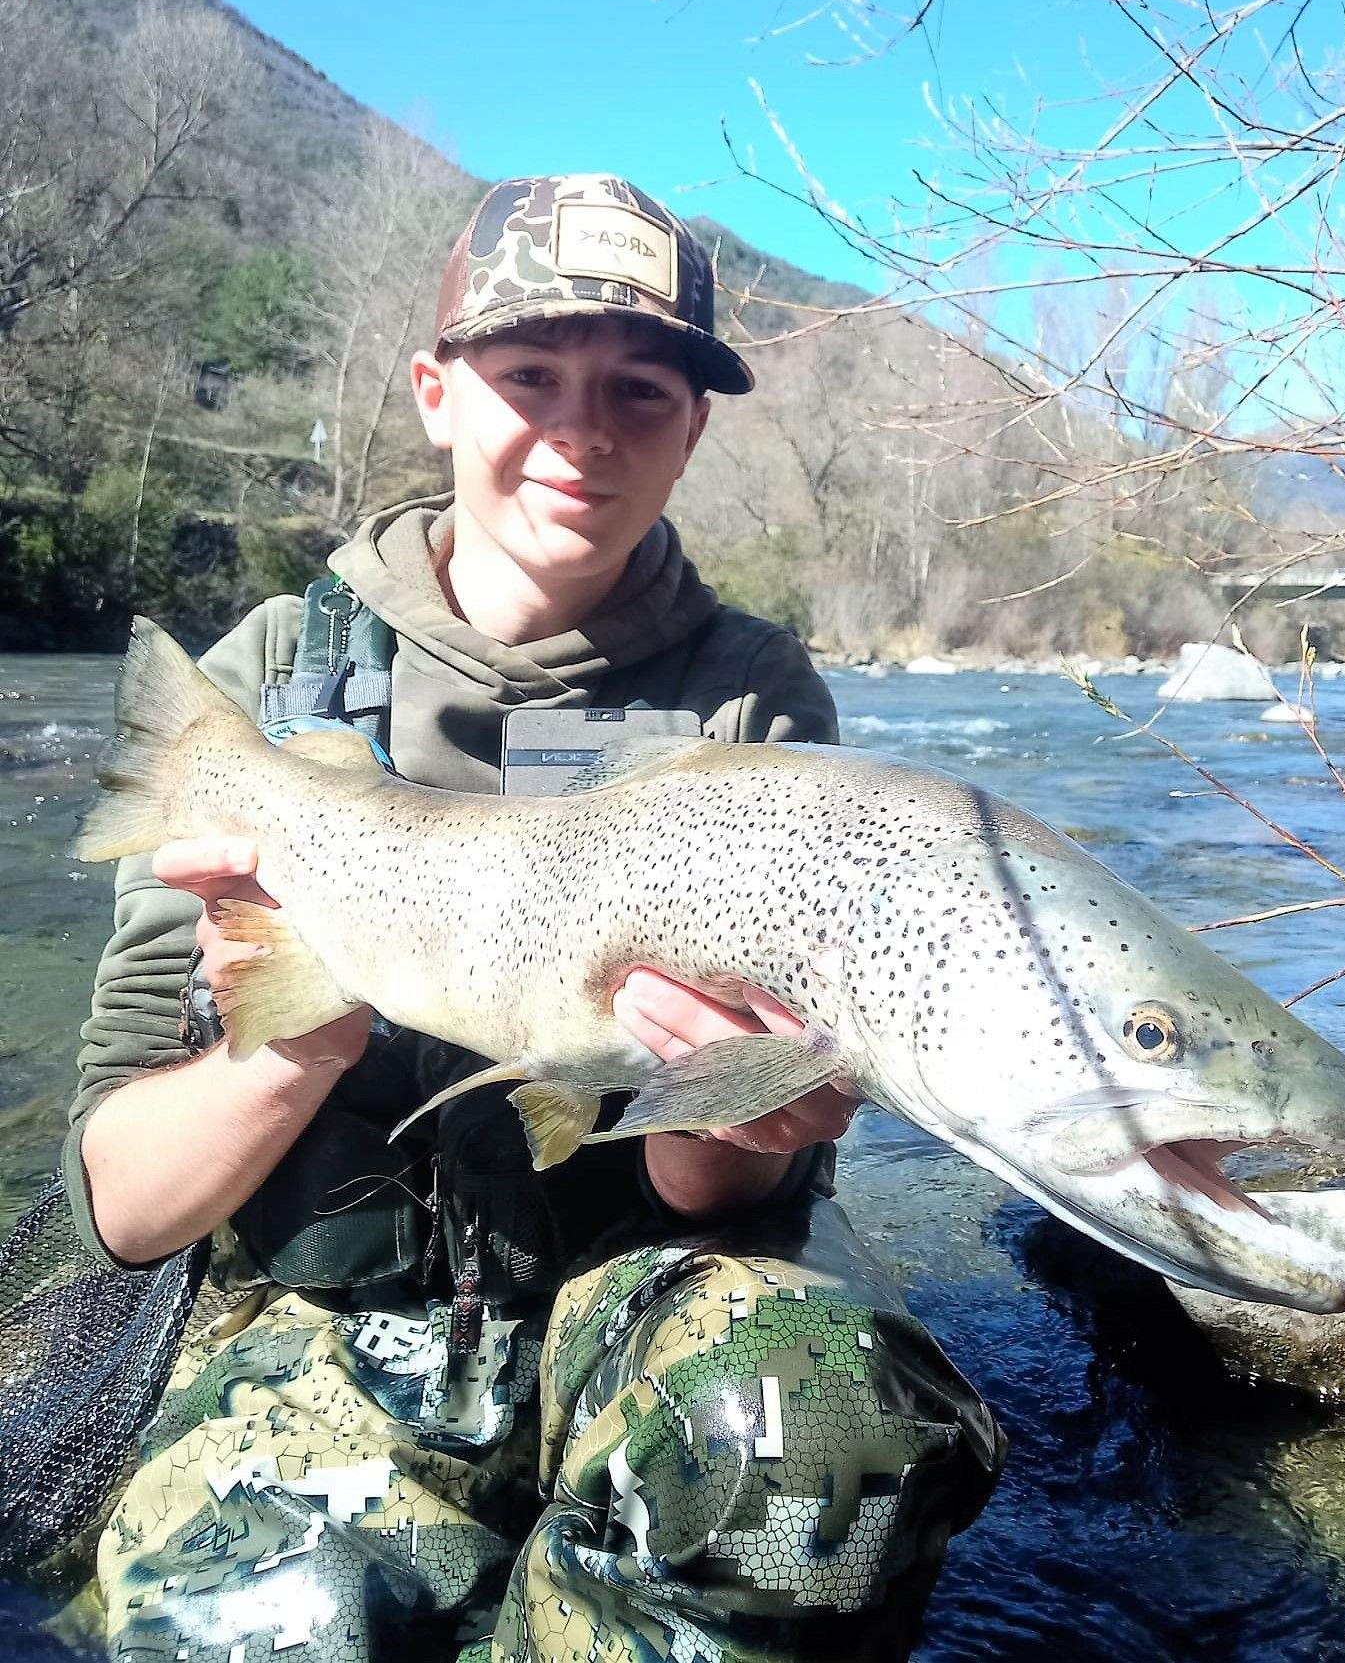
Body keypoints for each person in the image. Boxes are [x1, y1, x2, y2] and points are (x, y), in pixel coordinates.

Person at [65, 175, 1004, 1662]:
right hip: (325, 1333)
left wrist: (743, 1104)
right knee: (258, 1626)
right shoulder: (250, 695)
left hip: (628, 1304)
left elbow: (718, 1200)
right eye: (528, 378)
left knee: (826, 1443)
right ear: (438, 395)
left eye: (640, 387)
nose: (583, 430)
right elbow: (123, 1204)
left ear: (695, 427)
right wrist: (291, 1029)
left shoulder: (753, 706)